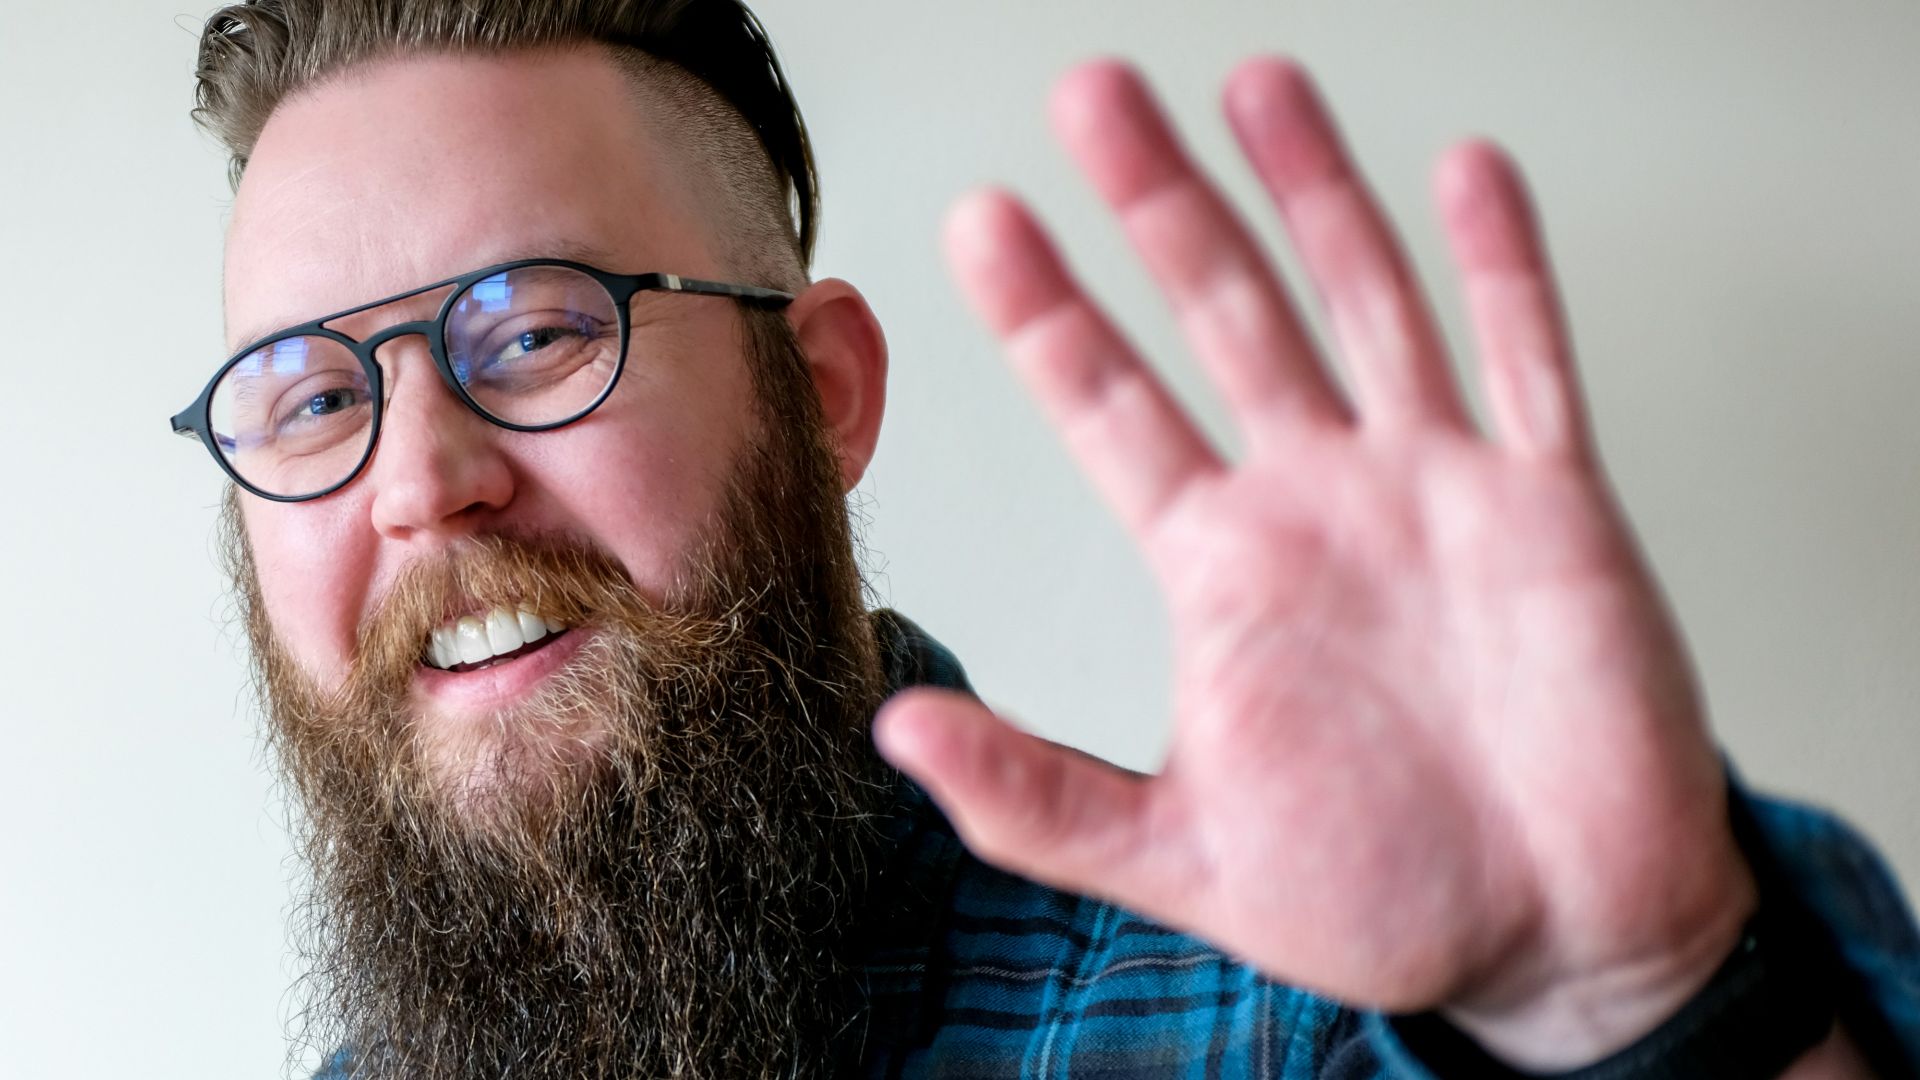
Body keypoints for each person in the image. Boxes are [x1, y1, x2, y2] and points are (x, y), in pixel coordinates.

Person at [167, 0, 1920, 1076]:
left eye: (537, 331)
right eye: (309, 399)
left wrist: (1651, 1004)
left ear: (826, 394)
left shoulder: (1313, 1018)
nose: (420, 481)